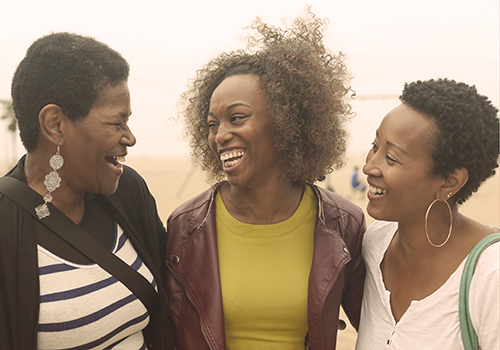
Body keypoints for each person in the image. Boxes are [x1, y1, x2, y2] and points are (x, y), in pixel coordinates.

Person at [164, 10, 366, 350]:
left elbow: (381, 330)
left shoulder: (342, 224)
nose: (220, 135)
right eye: (213, 124)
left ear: (287, 122)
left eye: (237, 118)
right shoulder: (185, 227)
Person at [0, 32, 172, 349]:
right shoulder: (5, 225)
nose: (130, 138)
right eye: (117, 122)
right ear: (55, 125)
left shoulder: (128, 191)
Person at [356, 78, 499, 349]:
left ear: (449, 182)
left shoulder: (490, 276)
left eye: (392, 158)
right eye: (376, 146)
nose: (369, 167)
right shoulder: (374, 244)